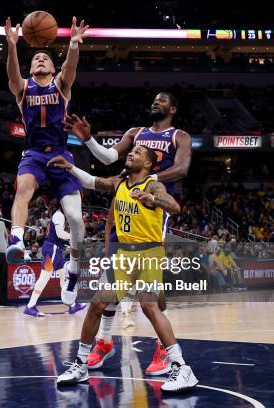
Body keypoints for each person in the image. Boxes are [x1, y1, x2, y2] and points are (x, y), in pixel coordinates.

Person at [50, 145, 198, 392]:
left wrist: (153, 199)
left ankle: (182, 368)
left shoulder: (152, 184)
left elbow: (174, 207)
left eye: (137, 152)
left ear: (149, 164)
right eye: (130, 152)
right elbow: (93, 181)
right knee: (97, 304)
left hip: (148, 252)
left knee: (150, 307)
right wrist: (71, 168)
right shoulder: (120, 182)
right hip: (124, 255)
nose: (131, 154)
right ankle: (81, 365)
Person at [64, 92, 192, 375]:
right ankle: (104, 342)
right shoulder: (136, 133)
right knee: (107, 285)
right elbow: (110, 157)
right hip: (124, 204)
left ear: (173, 108)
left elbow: (182, 168)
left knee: (149, 294)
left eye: (162, 100)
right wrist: (88, 139)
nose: (155, 102)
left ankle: (164, 347)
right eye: (154, 99)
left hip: (151, 210)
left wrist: (148, 181)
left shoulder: (179, 136)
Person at [3, 16, 89, 305]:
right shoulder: (23, 88)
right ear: (31, 67)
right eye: (36, 58)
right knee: (23, 188)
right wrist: (12, 46)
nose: (40, 60)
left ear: (53, 67)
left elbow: (71, 68)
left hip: (62, 155)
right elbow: (12, 76)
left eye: (45, 58)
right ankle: (16, 239)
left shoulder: (61, 85)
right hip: (34, 154)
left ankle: (75, 271)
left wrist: (74, 45)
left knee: (76, 219)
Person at [24, 206, 87, 317]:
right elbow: (60, 234)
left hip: (56, 250)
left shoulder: (61, 216)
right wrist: (75, 237)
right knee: (44, 277)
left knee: (63, 279)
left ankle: (72, 305)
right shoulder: (59, 215)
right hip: (52, 249)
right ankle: (30, 306)